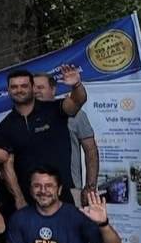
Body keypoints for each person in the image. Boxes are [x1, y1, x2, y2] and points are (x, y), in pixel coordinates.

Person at [0, 64, 88, 207]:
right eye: (14, 87)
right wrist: (19, 198)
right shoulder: (5, 126)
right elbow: (7, 166)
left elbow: (78, 101)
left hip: (62, 195)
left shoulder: (54, 109)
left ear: (33, 88)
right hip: (29, 200)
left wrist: (76, 85)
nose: (19, 90)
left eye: (24, 86)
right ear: (8, 90)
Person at [33, 74, 99, 206]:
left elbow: (91, 150)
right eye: (33, 88)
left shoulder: (75, 114)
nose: (36, 91)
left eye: (40, 87)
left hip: (71, 189)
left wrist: (90, 187)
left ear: (53, 89)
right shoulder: (24, 119)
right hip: (37, 191)